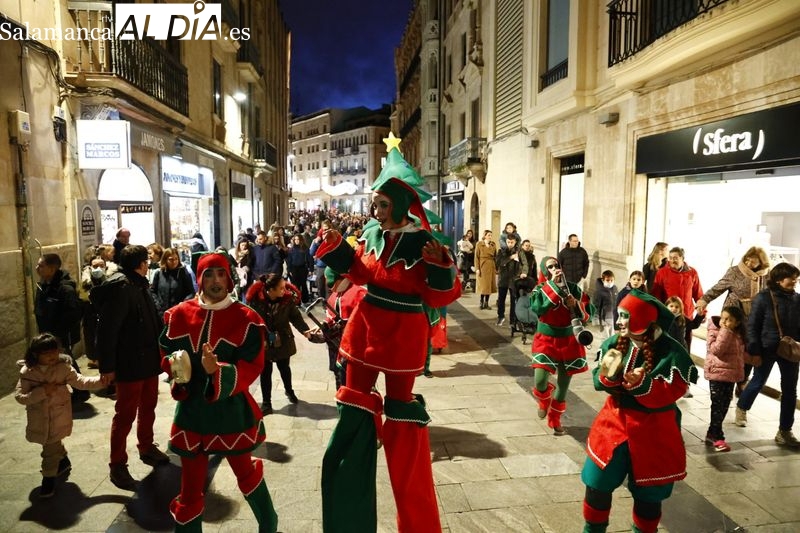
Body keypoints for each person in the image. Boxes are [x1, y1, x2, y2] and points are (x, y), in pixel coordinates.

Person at [315, 136, 461, 532]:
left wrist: (441, 266)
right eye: (374, 204)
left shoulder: (425, 241)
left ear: (398, 203)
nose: (375, 211)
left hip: (403, 336)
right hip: (365, 330)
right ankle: (349, 518)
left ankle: (416, 522)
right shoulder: (373, 235)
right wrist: (335, 248)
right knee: (354, 409)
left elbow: (439, 294)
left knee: (402, 416)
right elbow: (360, 273)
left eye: (381, 204)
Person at [159, 251, 278, 532]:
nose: (215, 281)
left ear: (229, 276)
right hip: (192, 412)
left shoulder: (246, 318)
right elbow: (165, 353)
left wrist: (218, 371)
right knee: (189, 488)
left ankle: (269, 524)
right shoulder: (179, 314)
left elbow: (252, 365)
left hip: (230, 412)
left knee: (245, 473)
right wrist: (178, 368)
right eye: (208, 274)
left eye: (221, 273)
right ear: (199, 278)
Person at [582, 289, 697, 533]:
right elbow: (598, 378)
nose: (619, 321)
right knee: (596, 483)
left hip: (654, 431)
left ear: (644, 319)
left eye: (625, 316)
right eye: (620, 315)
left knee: (649, 496)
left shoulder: (671, 351)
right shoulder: (615, 342)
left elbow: (674, 389)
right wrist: (608, 377)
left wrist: (644, 385)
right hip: (614, 424)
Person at [93, 244, 170, 490]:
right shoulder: (123, 288)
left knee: (149, 406)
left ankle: (146, 446)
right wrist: (107, 366)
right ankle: (117, 465)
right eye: (146, 260)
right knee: (125, 414)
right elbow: (107, 330)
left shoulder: (139, 284)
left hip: (147, 360)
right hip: (129, 363)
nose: (149, 264)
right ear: (141, 264)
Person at [14, 333, 106, 498]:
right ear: (35, 354)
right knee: (51, 442)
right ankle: (63, 460)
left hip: (59, 415)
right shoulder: (28, 372)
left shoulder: (63, 368)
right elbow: (20, 397)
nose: (52, 356)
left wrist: (102, 381)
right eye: (46, 353)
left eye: (54, 351)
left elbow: (81, 382)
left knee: (49, 448)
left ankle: (48, 480)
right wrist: (42, 392)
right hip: (39, 418)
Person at [734, 262, 800, 447]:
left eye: (796, 278)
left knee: (790, 390)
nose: (795, 281)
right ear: (779, 279)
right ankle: (742, 406)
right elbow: (753, 325)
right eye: (791, 277)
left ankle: (785, 430)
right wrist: (753, 349)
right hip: (766, 347)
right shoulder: (763, 297)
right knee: (758, 381)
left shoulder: (798, 299)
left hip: (789, 349)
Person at [529, 256, 593, 435]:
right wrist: (555, 287)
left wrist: (577, 305)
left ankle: (555, 419)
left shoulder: (573, 289)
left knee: (563, 385)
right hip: (546, 340)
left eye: (557, 265)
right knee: (540, 380)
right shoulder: (540, 289)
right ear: (545, 271)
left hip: (569, 341)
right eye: (550, 267)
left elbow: (590, 310)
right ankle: (543, 401)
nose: (555, 269)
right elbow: (537, 308)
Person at [695, 246, 770, 395]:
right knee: (730, 347)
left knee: (750, 348)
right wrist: (704, 300)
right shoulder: (735, 271)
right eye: (747, 259)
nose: (748, 262)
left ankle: (742, 380)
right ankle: (725, 379)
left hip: (755, 318)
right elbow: (718, 287)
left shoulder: (767, 276)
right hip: (733, 315)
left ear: (761, 262)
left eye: (753, 261)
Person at [246, 274, 317, 415]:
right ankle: (266, 403)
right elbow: (249, 320)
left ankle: (289, 391)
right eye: (281, 288)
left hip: (283, 339)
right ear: (270, 290)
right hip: (264, 341)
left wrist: (306, 331)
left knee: (284, 368)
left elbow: (296, 317)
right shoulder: (255, 301)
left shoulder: (287, 300)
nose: (285, 290)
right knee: (265, 372)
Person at [34, 253, 86, 402]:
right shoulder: (44, 284)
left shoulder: (65, 288)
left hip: (60, 334)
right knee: (61, 360)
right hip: (48, 332)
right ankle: (78, 389)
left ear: (52, 268)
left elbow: (73, 314)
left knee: (66, 360)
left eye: (41, 266)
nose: (37, 268)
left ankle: (81, 390)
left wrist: (58, 333)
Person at [704, 306, 748, 452]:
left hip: (730, 376)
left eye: (729, 320)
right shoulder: (716, 330)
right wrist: (725, 331)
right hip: (716, 373)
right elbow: (717, 350)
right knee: (717, 405)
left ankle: (712, 432)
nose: (724, 322)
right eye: (723, 318)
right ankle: (717, 436)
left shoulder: (738, 334)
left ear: (737, 323)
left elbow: (738, 355)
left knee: (723, 405)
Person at [650, 246, 704, 351]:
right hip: (669, 315)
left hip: (686, 315)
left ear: (682, 259)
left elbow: (698, 293)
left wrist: (702, 310)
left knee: (685, 344)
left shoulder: (692, 273)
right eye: (670, 258)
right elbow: (656, 295)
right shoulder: (662, 272)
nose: (672, 260)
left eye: (675, 258)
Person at [150, 247, 195, 316]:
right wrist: (158, 305)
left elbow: (191, 292)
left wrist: (183, 303)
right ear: (165, 260)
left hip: (178, 312)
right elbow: (153, 292)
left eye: (176, 259)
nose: (174, 262)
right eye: (171, 259)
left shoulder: (183, 273)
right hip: (161, 313)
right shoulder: (159, 273)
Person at [495, 234, 528, 327]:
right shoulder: (501, 251)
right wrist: (510, 258)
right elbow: (498, 262)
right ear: (506, 242)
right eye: (508, 242)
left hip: (514, 279)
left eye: (512, 242)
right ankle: (500, 316)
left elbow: (525, 263)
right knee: (501, 299)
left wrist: (524, 272)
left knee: (514, 300)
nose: (510, 244)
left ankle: (512, 320)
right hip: (503, 279)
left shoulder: (520, 252)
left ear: (515, 242)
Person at [286, 234, 314, 303]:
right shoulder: (291, 249)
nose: (296, 241)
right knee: (295, 286)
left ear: (301, 240)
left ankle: (305, 300)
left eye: (298, 239)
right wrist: (289, 270)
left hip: (303, 268)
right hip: (294, 268)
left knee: (303, 284)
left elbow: (310, 259)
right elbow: (289, 260)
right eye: (295, 239)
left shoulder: (305, 248)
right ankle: (297, 300)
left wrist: (311, 269)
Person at [593, 270, 619, 342]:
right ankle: (604, 350)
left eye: (612, 280)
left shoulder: (615, 289)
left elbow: (617, 302)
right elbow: (596, 306)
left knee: (612, 337)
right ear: (603, 280)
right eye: (608, 280)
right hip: (604, 318)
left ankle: (610, 350)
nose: (610, 282)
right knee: (605, 338)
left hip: (612, 318)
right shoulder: (599, 292)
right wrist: (596, 318)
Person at [475, 229, 498, 310]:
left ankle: (486, 303)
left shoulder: (493, 245)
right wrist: (477, 268)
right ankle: (481, 302)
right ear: (485, 236)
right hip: (482, 265)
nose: (490, 237)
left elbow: (496, 257)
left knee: (489, 286)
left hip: (491, 265)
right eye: (488, 235)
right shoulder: (479, 244)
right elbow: (476, 257)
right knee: (483, 286)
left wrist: (496, 268)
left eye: (491, 235)